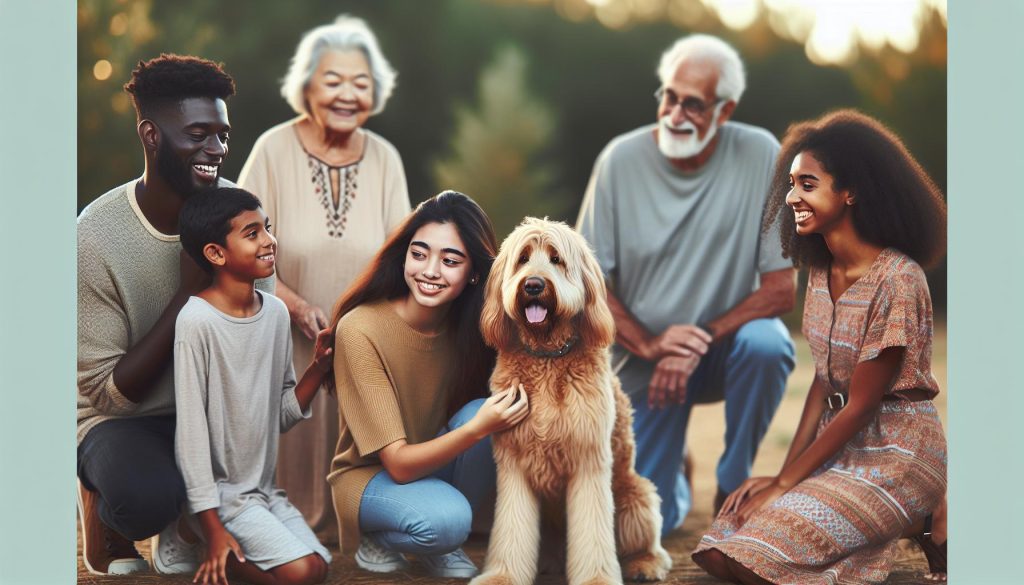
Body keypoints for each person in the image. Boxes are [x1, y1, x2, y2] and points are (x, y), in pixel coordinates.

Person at [692, 109, 948, 584]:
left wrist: (787, 484)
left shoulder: (899, 278)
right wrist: (777, 478)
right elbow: (823, 384)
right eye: (791, 184)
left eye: (807, 184)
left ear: (850, 191)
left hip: (897, 452)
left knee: (754, 562)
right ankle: (910, 528)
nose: (791, 197)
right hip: (839, 451)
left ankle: (925, 514)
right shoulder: (819, 273)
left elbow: (860, 406)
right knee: (719, 547)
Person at [576, 34, 796, 534]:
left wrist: (696, 341)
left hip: (722, 351)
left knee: (769, 344)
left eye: (692, 104)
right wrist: (653, 344)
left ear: (724, 110)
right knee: (645, 526)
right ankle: (676, 477)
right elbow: (588, 283)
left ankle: (732, 483)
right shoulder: (618, 160)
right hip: (640, 358)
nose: (674, 113)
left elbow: (782, 290)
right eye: (668, 97)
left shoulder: (762, 153)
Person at [76, 54, 272, 575]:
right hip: (123, 422)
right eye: (199, 134)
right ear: (151, 135)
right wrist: (188, 297)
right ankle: (108, 512)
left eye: (224, 135)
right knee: (144, 497)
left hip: (210, 414)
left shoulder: (239, 214)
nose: (218, 150)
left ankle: (187, 519)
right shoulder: (94, 235)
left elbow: (257, 344)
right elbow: (108, 394)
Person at [238, 15, 411, 538]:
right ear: (307, 85)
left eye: (360, 83)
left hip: (361, 341)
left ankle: (352, 525)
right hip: (279, 334)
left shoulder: (386, 158)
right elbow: (237, 245)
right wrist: (292, 304)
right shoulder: (272, 149)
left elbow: (401, 255)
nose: (347, 94)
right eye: (333, 81)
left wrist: (362, 321)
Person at [326, 191, 528, 578]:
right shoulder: (361, 328)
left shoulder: (474, 330)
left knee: (490, 409)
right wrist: (478, 428)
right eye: (419, 254)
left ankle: (440, 540)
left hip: (433, 468)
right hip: (370, 478)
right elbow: (398, 465)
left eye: (449, 261)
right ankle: (385, 536)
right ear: (404, 255)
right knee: (449, 517)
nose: (430, 271)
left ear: (473, 272)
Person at [169, 187, 332, 585]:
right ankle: (198, 533)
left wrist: (319, 368)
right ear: (215, 254)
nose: (269, 241)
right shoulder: (197, 323)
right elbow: (190, 440)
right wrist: (213, 526)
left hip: (262, 492)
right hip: (218, 498)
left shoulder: (275, 313)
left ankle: (214, 545)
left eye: (268, 228)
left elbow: (279, 415)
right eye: (252, 232)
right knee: (301, 573)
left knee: (321, 565)